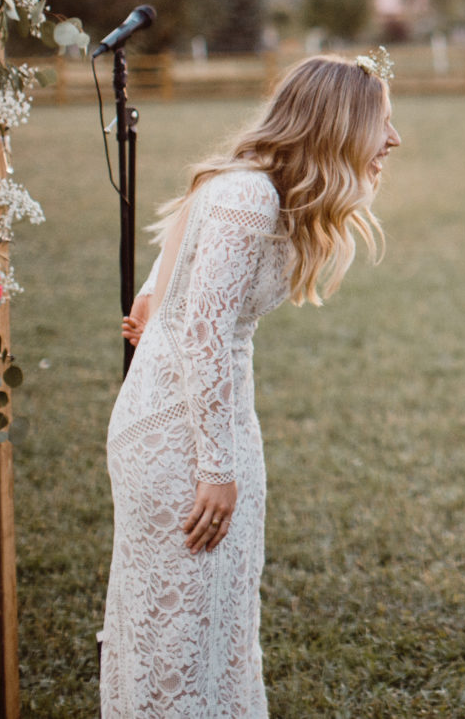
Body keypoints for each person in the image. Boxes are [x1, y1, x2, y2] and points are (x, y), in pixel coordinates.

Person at [101, 52, 401, 717]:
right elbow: (204, 331)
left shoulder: (250, 188)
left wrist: (159, 310)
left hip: (207, 419)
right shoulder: (247, 194)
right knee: (178, 637)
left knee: (214, 626)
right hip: (185, 439)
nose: (393, 140)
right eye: (382, 123)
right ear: (336, 124)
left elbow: (161, 295)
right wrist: (216, 465)